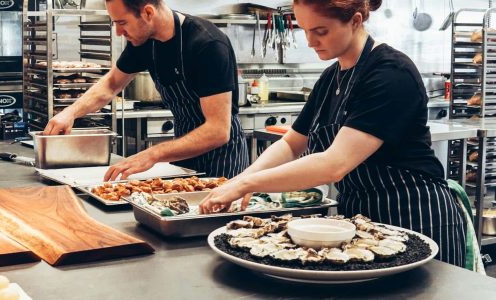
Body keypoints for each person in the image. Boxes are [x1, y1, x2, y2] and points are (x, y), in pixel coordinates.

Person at [199, 0, 467, 267]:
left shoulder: (390, 73)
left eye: (321, 31)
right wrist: (241, 179)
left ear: (356, 21)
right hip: (361, 222)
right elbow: (292, 144)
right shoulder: (331, 78)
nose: (311, 41)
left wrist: (248, 185)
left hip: (415, 215)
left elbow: (334, 165)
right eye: (304, 30)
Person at [43, 0, 249, 180]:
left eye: (122, 23)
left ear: (148, 13)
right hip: (182, 157)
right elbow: (111, 84)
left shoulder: (206, 44)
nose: (118, 32)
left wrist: (152, 154)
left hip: (222, 162)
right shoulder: (144, 42)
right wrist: (70, 113)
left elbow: (218, 131)